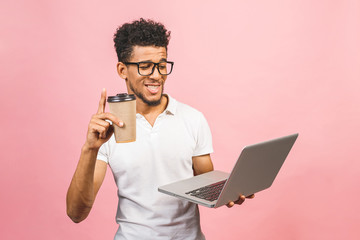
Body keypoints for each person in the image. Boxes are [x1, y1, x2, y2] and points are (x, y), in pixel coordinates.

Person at [66, 18, 254, 240]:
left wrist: (231, 190)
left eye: (162, 65)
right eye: (145, 66)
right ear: (122, 70)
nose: (156, 75)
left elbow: (206, 182)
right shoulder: (108, 130)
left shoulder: (193, 119)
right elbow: (76, 213)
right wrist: (90, 148)